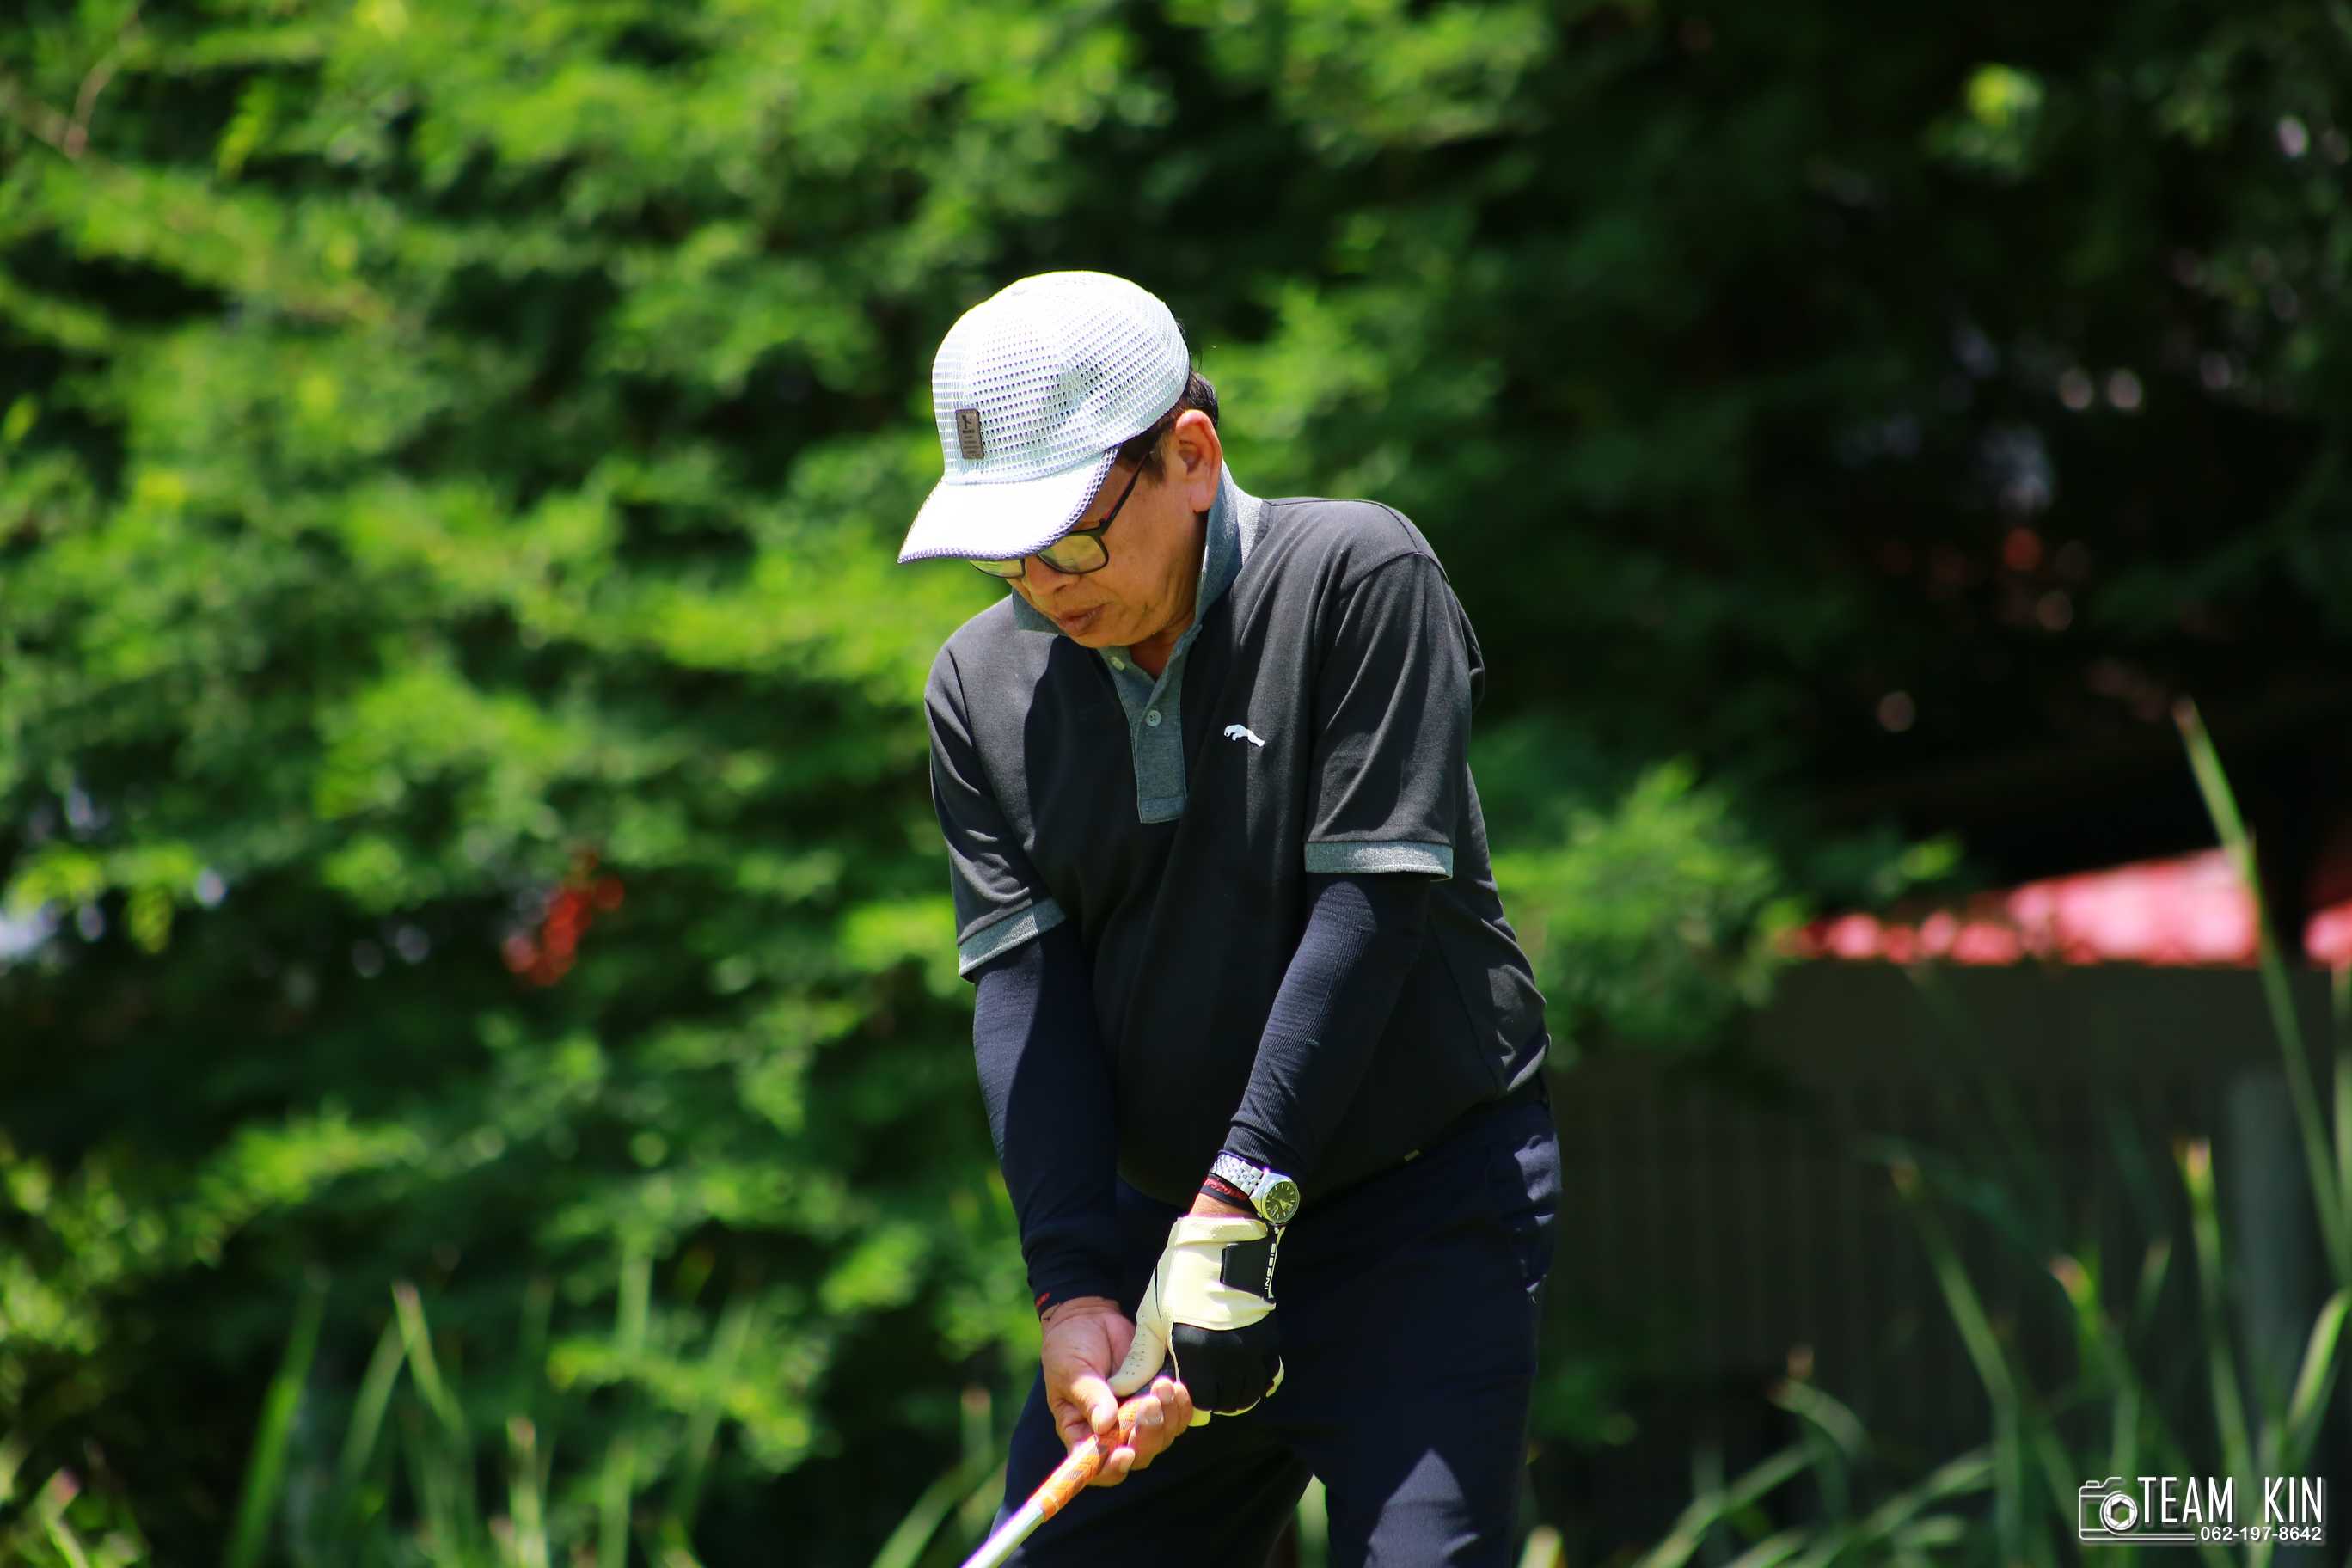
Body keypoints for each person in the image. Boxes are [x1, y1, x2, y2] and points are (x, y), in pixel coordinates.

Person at [900, 271, 1559, 1565]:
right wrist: (1073, 1287)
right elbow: (1026, 997)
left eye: (1070, 540)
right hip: (1160, 1243)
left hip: (1417, 1218)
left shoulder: (1359, 575)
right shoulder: (980, 685)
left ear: (1191, 457)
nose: (1045, 586)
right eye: (1007, 553)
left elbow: (1372, 910)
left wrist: (1237, 1205)